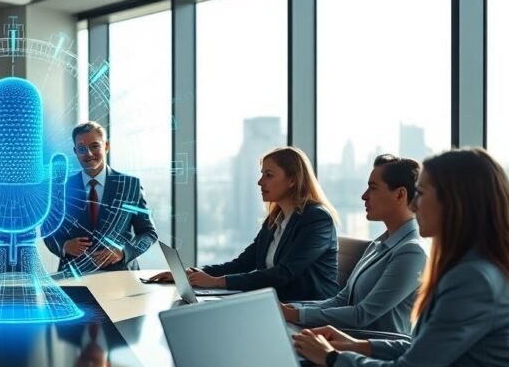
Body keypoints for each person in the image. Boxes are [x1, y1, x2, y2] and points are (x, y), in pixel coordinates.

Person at [294, 148, 509, 367]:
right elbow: (425, 347)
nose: (413, 205)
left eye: (422, 194)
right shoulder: (472, 266)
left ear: (455, 202)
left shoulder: (474, 278)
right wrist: (359, 346)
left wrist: (331, 357)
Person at [148, 146, 339, 301]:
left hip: (307, 310)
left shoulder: (317, 220)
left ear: (292, 180)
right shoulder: (275, 220)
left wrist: (216, 282)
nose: (260, 182)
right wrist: (191, 273)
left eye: (269, 175)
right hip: (275, 303)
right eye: (262, 174)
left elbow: (283, 273)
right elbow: (242, 263)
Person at [282, 155, 426, 334]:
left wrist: (297, 315)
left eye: (373, 188)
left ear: (400, 194)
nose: (364, 196)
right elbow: (340, 301)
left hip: (372, 353)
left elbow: (362, 315)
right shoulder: (377, 245)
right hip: (345, 339)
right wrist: (291, 309)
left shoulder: (412, 252)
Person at [43, 121, 158, 273]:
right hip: (74, 277)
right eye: (82, 148)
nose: (89, 154)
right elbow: (48, 230)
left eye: (95, 146)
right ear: (75, 151)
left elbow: (148, 233)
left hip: (121, 278)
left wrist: (123, 252)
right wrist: (64, 246)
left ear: (106, 146)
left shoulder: (130, 186)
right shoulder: (61, 188)